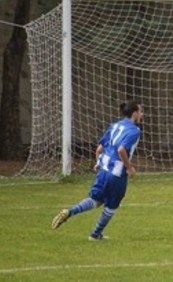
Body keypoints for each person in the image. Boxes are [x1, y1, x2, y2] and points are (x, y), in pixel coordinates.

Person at [51, 100, 143, 240]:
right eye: (140, 111)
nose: (142, 114)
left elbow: (100, 149)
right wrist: (129, 168)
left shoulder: (115, 126)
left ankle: (69, 212)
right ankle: (95, 234)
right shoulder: (134, 130)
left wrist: (98, 162)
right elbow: (121, 149)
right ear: (134, 113)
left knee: (96, 200)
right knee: (112, 205)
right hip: (117, 173)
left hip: (104, 168)